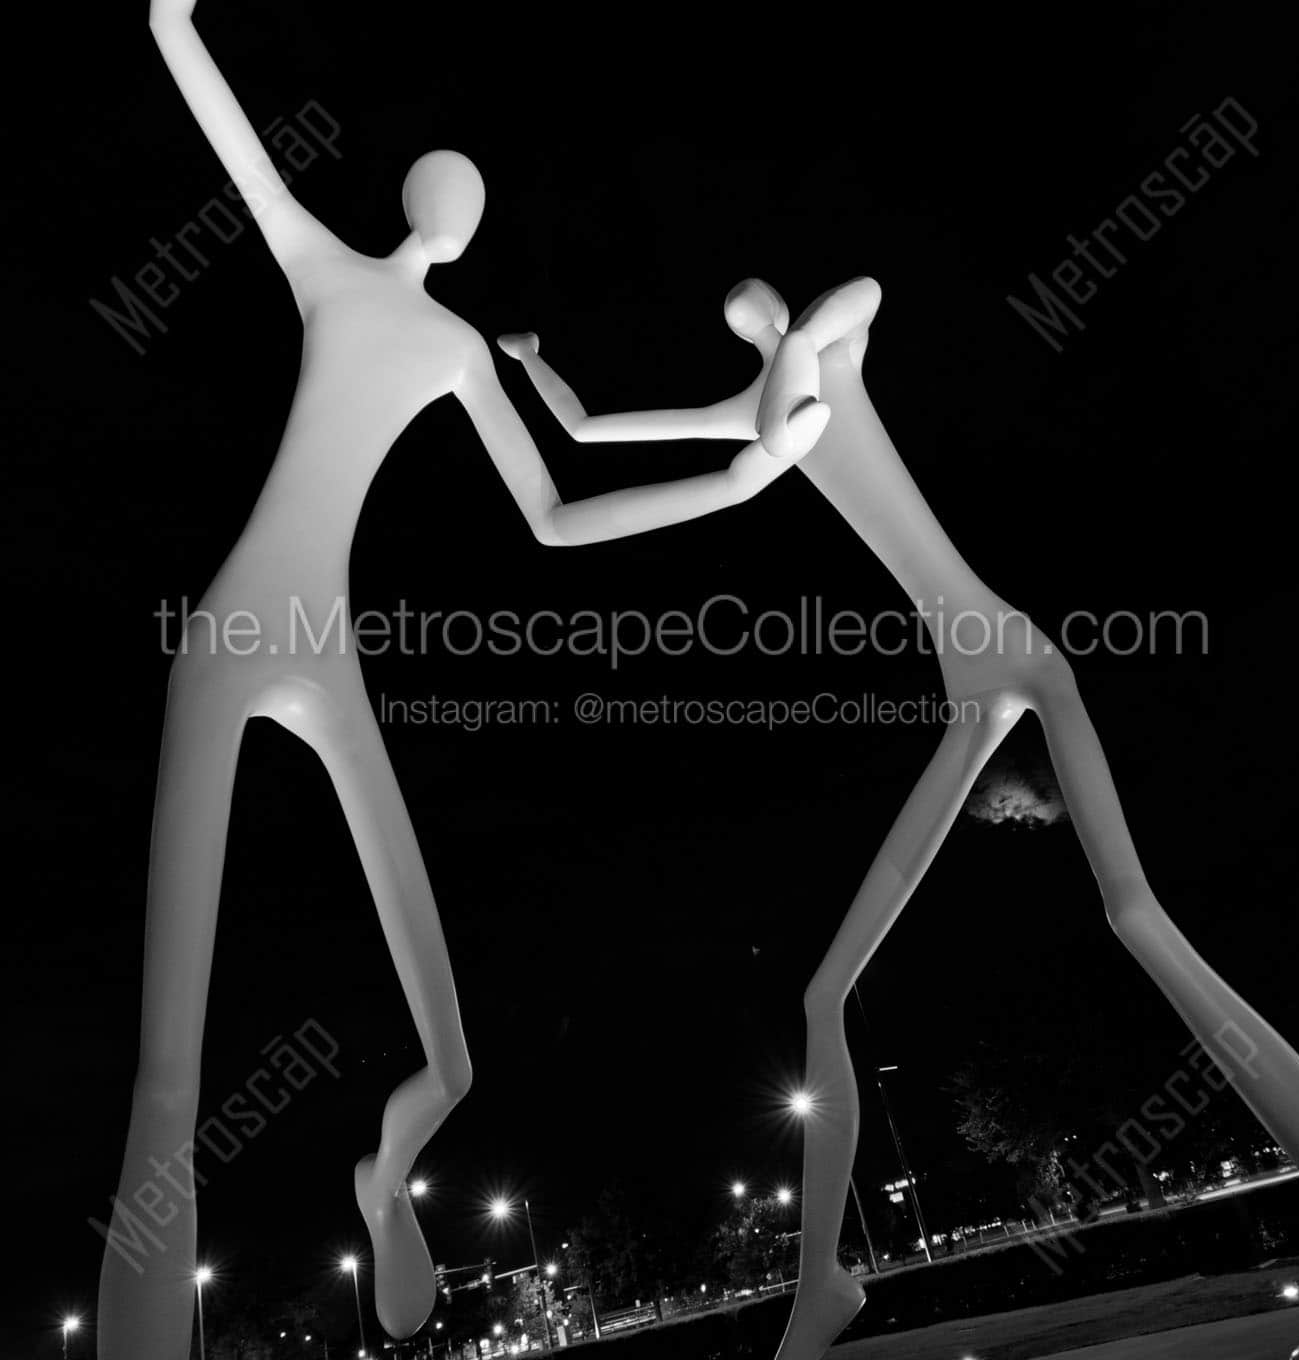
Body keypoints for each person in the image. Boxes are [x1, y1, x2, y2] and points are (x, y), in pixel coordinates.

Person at [99, 5, 829, 1357]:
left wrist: (738, 477)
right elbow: (238, 147)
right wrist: (172, 19)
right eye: (459, 200)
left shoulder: (435, 339)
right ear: (445, 220)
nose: (457, 212)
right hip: (235, 637)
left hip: (319, 645)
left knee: (455, 1063)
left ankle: (383, 1181)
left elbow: (551, 513)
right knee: (169, 1076)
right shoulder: (350, 286)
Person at [501, 274, 1299, 1360]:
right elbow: (588, 430)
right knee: (823, 992)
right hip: (965, 693)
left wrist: (787, 385)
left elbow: (861, 294)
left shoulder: (830, 354)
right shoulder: (765, 408)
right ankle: (822, 1288)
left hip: (1023, 656)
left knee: (1135, 915)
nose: (754, 310)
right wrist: (530, 365)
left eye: (761, 302)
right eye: (740, 312)